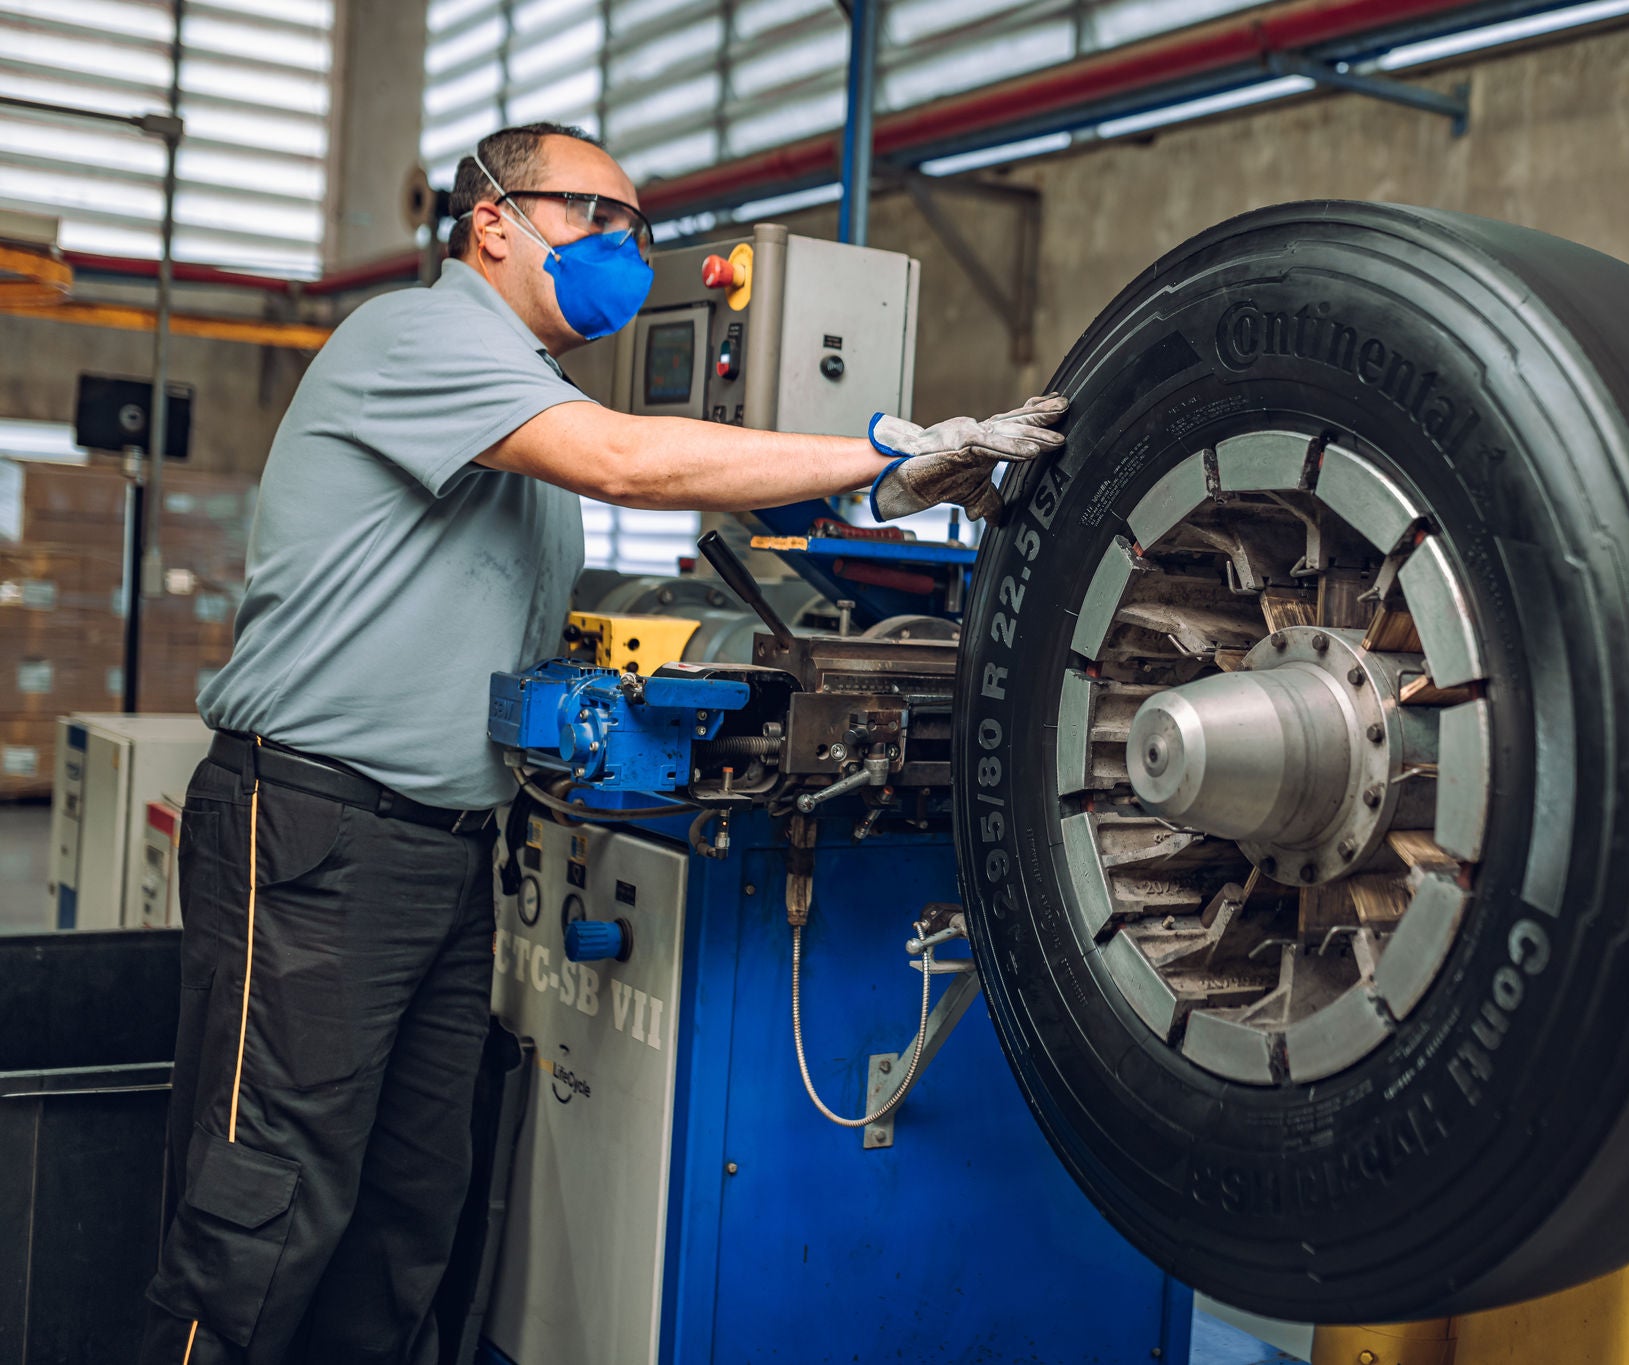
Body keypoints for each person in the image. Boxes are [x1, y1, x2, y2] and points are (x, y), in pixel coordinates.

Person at [138, 121, 1064, 1365]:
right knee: (267, 1202)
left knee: (409, 1205)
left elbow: (700, 485)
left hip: (440, 848)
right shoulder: (417, 339)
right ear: (494, 222)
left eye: (638, 228)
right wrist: (886, 444)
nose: (627, 252)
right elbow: (630, 464)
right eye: (598, 219)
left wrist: (882, 491)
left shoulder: (524, 394)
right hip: (315, 835)